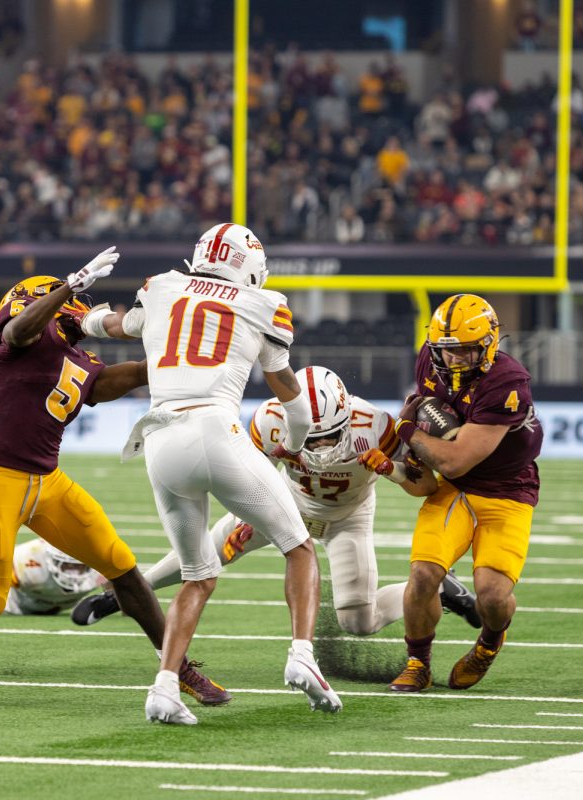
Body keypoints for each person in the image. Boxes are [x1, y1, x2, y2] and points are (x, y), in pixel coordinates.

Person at [0, 251, 229, 710]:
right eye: (67, 300)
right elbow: (19, 330)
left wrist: (175, 362)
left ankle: (177, 666)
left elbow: (112, 382)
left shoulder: (75, 356)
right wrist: (67, 286)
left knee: (124, 568)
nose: (78, 306)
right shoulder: (21, 339)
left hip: (47, 482)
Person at [79, 223, 341, 726]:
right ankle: (302, 654)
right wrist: (295, 443)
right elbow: (293, 398)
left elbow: (116, 326)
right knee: (298, 545)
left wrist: (77, 312)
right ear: (247, 267)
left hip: (158, 439)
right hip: (214, 428)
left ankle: (164, 687)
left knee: (198, 576)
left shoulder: (162, 287)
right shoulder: (263, 305)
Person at [73, 366, 482, 635]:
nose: (320, 445)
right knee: (206, 553)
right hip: (288, 504)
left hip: (348, 517)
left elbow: (425, 487)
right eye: (311, 434)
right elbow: (244, 475)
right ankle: (121, 595)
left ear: (347, 414)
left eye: (330, 434)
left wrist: (390, 469)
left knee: (358, 621)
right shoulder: (269, 421)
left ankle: (438, 589)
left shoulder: (375, 424)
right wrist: (252, 507)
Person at [383, 294, 543, 693]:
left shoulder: (507, 383)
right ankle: (418, 662)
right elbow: (433, 419)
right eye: (448, 351)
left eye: (467, 350)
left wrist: (406, 431)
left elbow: (455, 460)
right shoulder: (429, 358)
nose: (456, 360)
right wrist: (414, 452)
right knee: (422, 574)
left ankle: (489, 643)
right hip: (454, 490)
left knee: (492, 595)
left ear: (489, 344)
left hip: (506, 489)